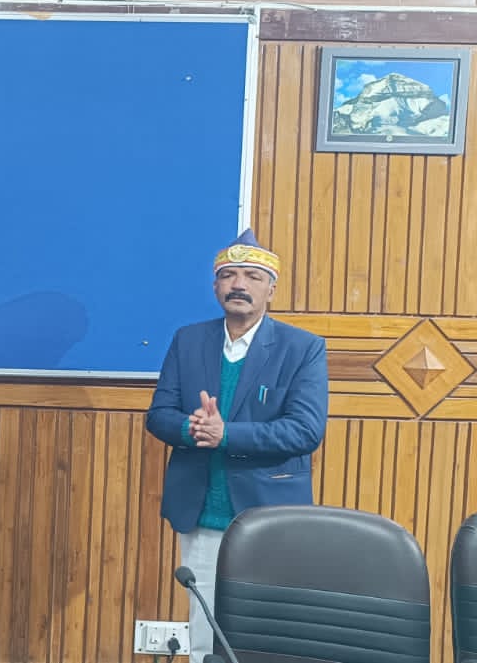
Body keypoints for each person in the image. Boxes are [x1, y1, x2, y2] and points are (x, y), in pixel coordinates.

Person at [144, 229, 329, 663]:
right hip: (202, 512)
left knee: (268, 632)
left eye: (252, 276)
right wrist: (193, 428)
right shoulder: (188, 340)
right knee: (205, 631)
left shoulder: (302, 348)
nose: (239, 285)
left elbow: (305, 430)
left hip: (268, 516)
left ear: (271, 290)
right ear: (215, 287)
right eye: (228, 276)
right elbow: (159, 414)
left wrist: (226, 435)